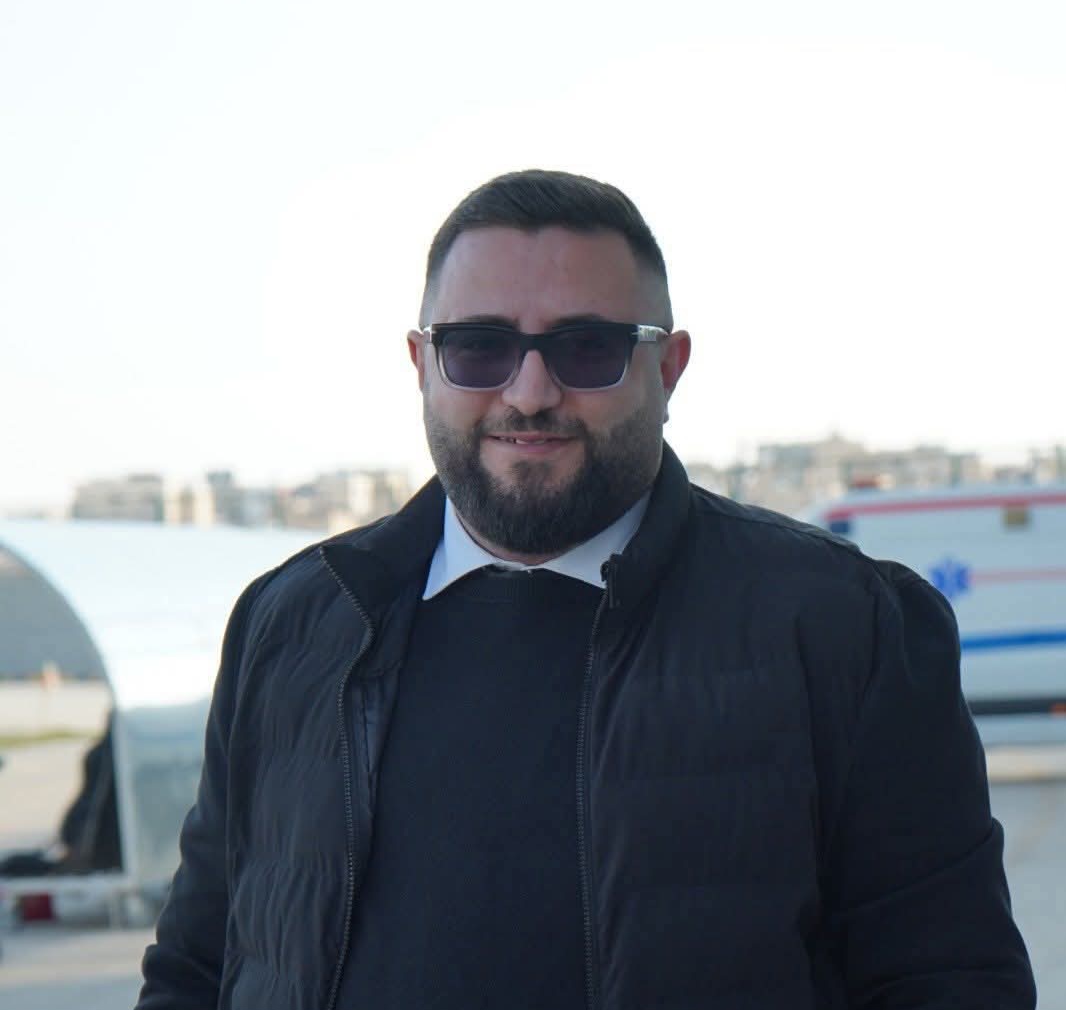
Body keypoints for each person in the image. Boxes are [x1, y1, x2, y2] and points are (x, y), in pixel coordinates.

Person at [136, 170, 1035, 1010]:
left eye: (588, 348)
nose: (530, 393)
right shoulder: (294, 624)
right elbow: (198, 965)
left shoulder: (847, 627)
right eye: (479, 347)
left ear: (668, 368)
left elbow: (948, 980)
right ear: (421, 363)